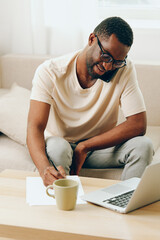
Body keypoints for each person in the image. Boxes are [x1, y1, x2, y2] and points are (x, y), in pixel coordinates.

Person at [27, 16, 153, 186]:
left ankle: (124, 203)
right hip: (61, 144)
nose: (108, 67)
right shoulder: (50, 71)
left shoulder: (124, 69)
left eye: (117, 62)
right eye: (106, 56)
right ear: (92, 39)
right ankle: (61, 204)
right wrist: (44, 169)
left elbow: (138, 124)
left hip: (98, 149)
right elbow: (35, 127)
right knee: (59, 148)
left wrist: (85, 147)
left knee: (143, 146)